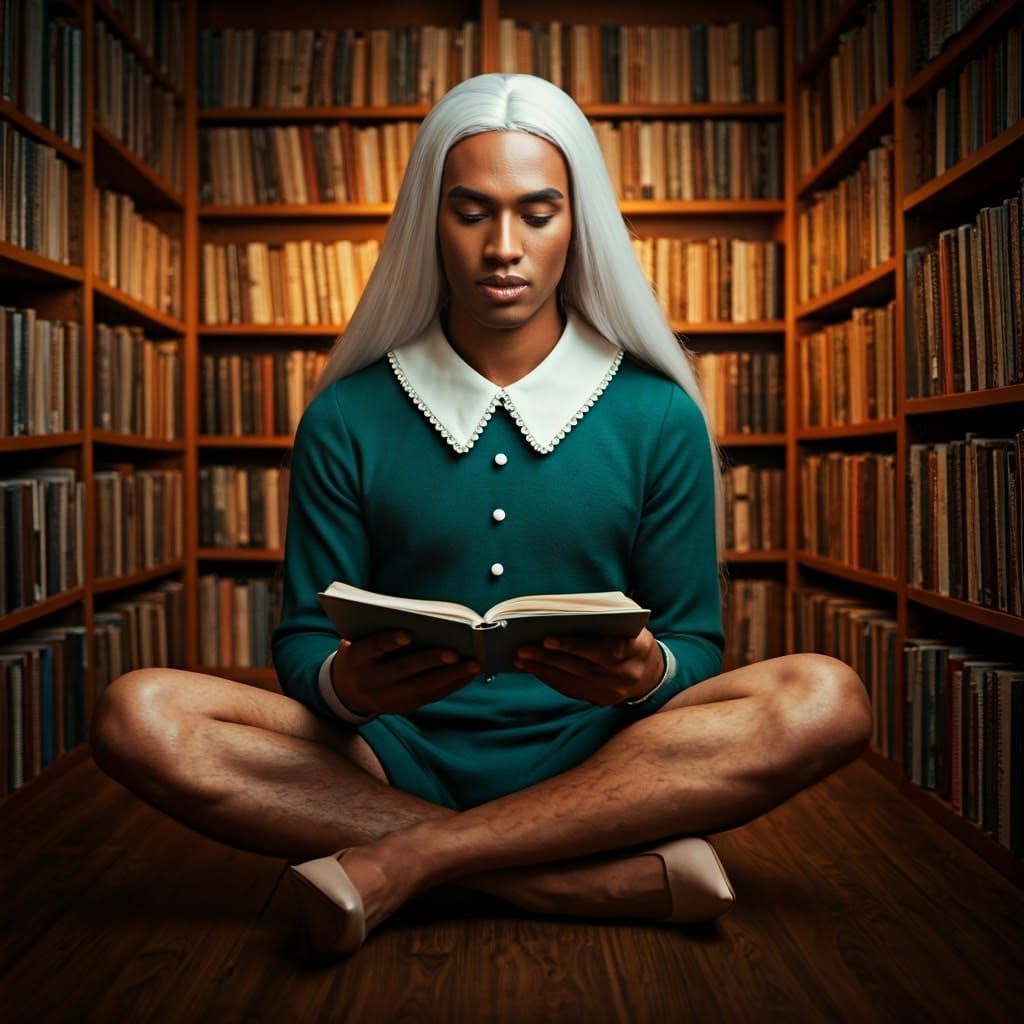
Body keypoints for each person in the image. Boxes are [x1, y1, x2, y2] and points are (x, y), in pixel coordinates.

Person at [90, 73, 872, 958]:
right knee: (137, 712)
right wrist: (348, 687)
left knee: (824, 698)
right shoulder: (346, 414)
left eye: (537, 214)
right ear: (430, 221)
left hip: (606, 757)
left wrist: (646, 671)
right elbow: (303, 640)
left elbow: (695, 645)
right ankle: (575, 879)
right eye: (471, 212)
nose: (504, 247)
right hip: (387, 754)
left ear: (578, 225)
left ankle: (415, 857)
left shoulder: (659, 414)